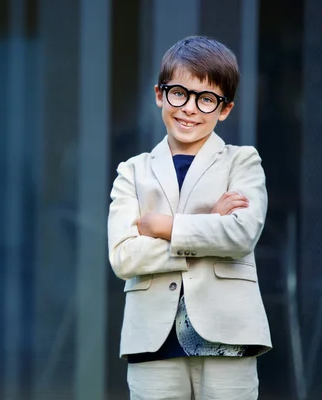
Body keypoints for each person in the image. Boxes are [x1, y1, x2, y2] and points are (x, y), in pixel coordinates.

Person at [107, 36, 272, 399]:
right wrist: (210, 225)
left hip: (229, 335)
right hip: (153, 340)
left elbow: (241, 235)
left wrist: (167, 227)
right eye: (179, 93)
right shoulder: (132, 172)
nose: (190, 109)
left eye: (206, 99)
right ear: (159, 94)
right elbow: (123, 256)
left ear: (224, 109)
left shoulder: (242, 162)